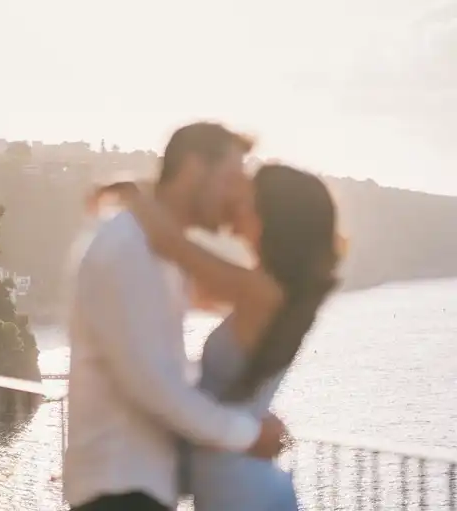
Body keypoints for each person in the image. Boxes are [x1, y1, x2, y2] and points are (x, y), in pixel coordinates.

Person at [63, 122, 288, 511]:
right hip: (119, 491)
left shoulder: (158, 252)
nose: (237, 194)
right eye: (231, 177)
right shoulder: (127, 249)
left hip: (138, 488)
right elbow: (156, 385)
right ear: (194, 168)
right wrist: (247, 434)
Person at [120, 163, 341, 510]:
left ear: (272, 217)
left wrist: (131, 191)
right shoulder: (272, 291)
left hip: (240, 488)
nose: (237, 204)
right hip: (241, 478)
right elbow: (186, 291)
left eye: (248, 200)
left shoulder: (260, 292)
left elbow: (173, 245)